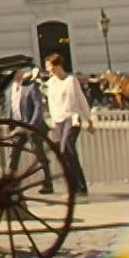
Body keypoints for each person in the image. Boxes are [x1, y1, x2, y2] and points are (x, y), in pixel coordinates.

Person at [43, 54, 91, 195]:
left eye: (50, 68)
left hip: (72, 118)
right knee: (63, 153)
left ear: (58, 66)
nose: (48, 71)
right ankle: (75, 185)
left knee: (67, 148)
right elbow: (48, 101)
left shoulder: (71, 80)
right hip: (58, 120)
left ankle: (79, 185)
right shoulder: (50, 83)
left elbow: (81, 99)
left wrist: (88, 118)